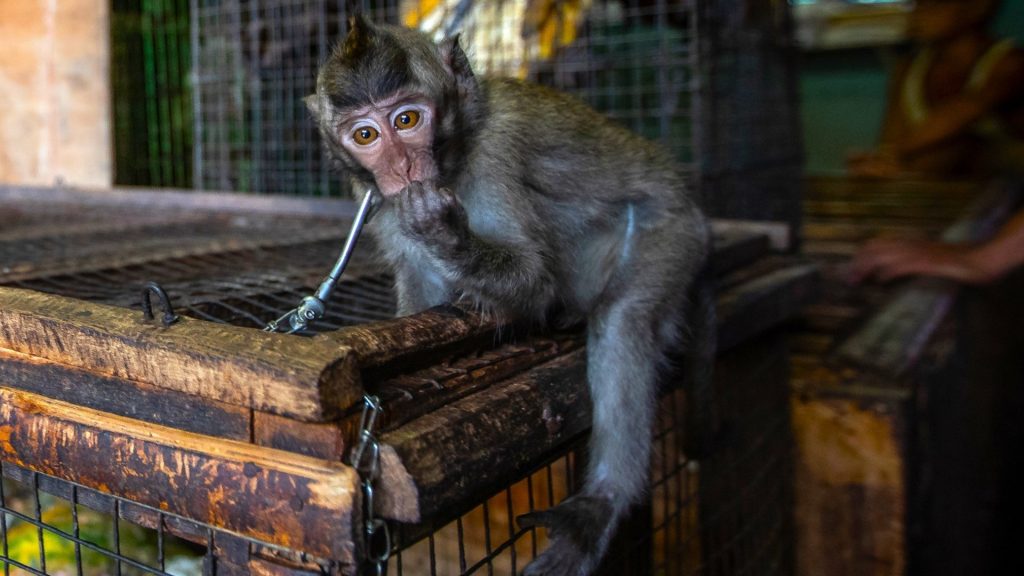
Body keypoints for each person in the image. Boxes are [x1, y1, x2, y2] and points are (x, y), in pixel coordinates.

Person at [847, 0, 1024, 179]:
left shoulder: (1008, 65)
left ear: (977, 7)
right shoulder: (910, 70)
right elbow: (892, 140)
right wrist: (881, 163)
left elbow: (960, 115)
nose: (917, 12)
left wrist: (893, 153)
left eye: (932, 4)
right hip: (944, 196)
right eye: (916, 4)